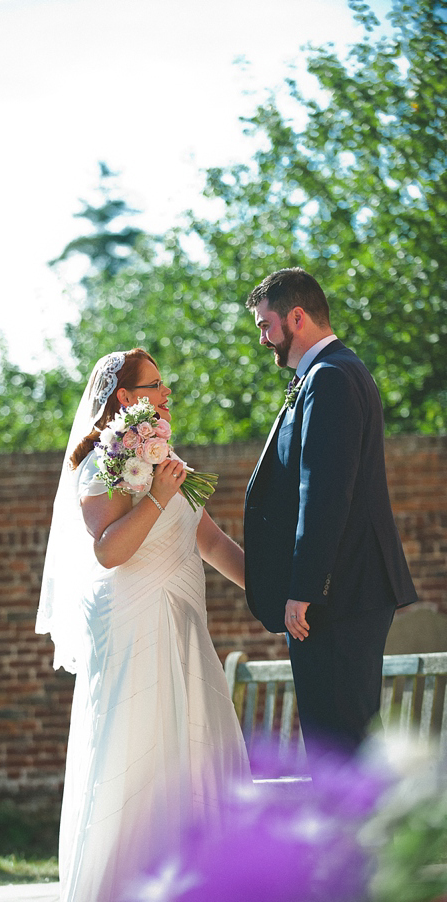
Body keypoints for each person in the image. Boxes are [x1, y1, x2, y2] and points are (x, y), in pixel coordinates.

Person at [36, 348, 249, 902]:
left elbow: (209, 541)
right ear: (127, 398)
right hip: (133, 623)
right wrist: (156, 493)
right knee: (139, 759)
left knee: (194, 751)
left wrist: (274, 593)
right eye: (155, 386)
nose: (166, 394)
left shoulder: (168, 456)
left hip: (184, 622)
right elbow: (110, 551)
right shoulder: (96, 463)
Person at [243, 267, 418, 756]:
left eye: (265, 324)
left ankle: (362, 834)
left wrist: (305, 587)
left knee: (339, 743)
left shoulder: (333, 377)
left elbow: (324, 490)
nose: (262, 338)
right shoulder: (330, 372)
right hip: (343, 591)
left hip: (338, 595)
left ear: (296, 317)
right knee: (340, 736)